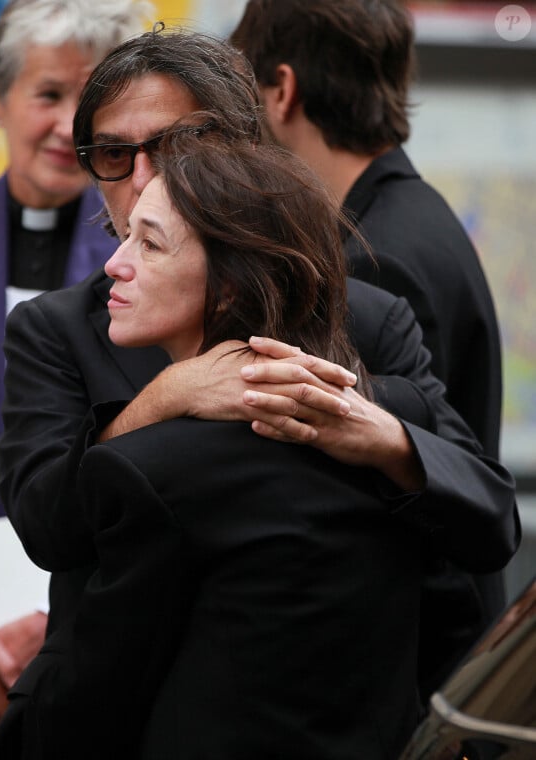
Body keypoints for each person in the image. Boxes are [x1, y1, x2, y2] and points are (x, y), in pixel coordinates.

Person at [0, 29, 518, 750]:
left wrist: (384, 439)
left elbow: (487, 523)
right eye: (114, 155)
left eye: (178, 146)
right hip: (130, 714)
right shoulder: (58, 329)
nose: (144, 178)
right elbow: (47, 527)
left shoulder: (365, 315)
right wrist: (164, 400)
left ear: (244, 150)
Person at [229, 0, 507, 697]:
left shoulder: (374, 260)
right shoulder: (415, 215)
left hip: (416, 672)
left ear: (282, 90)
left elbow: (412, 483)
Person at [0, 0, 152, 754]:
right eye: (48, 95)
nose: (71, 125)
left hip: (111, 657)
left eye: (93, 101)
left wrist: (69, 627)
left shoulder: (162, 281)